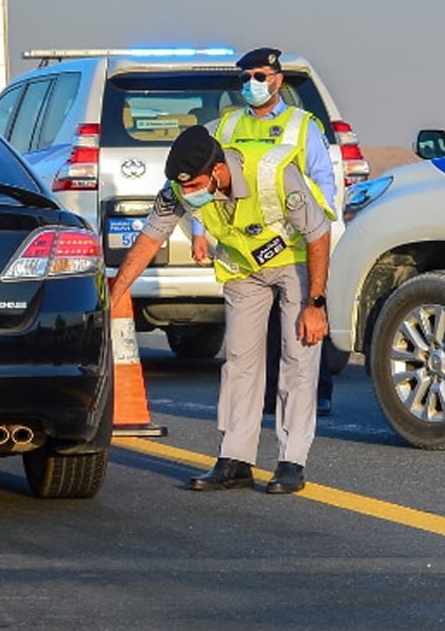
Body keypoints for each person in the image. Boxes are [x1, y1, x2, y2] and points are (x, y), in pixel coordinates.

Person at [112, 125, 331, 494]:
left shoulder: (273, 172)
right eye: (184, 188)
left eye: (195, 186)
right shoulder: (179, 190)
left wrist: (316, 305)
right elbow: (150, 239)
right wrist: (116, 294)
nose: (189, 195)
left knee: (297, 359)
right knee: (239, 362)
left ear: (217, 171)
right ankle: (235, 460)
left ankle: (291, 462)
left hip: (295, 264)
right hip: (243, 270)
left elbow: (318, 234)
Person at [189, 47, 341, 416]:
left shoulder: (301, 125)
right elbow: (204, 182)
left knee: (301, 343)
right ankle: (237, 449)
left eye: (260, 76)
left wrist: (317, 221)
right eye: (246, 78)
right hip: (244, 253)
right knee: (242, 354)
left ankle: (298, 441)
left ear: (278, 80)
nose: (252, 84)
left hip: (294, 245)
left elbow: (322, 179)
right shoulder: (225, 127)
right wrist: (198, 230)